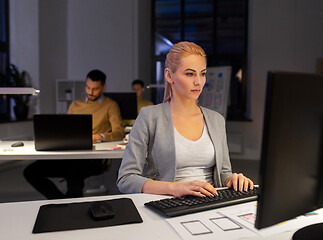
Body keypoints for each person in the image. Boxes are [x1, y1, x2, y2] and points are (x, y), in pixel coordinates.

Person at [117, 42, 253, 197]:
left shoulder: (217, 120)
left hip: (209, 202)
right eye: (190, 74)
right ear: (169, 75)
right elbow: (126, 179)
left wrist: (232, 179)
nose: (198, 82)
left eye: (202, 73)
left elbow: (223, 173)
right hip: (167, 202)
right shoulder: (150, 116)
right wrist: (175, 188)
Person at [24, 70, 125, 199]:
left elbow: (119, 133)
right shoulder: (75, 105)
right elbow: (67, 131)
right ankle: (60, 201)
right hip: (71, 154)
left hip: (93, 158)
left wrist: (100, 136)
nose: (90, 92)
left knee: (74, 171)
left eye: (95, 89)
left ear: (103, 87)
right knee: (31, 172)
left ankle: (70, 203)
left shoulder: (110, 105)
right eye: (88, 87)